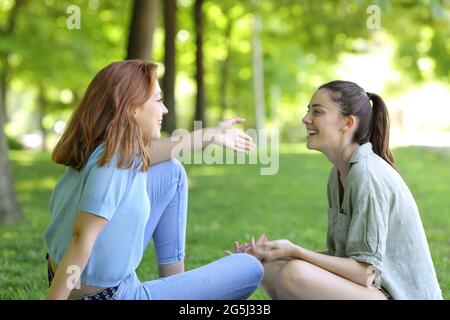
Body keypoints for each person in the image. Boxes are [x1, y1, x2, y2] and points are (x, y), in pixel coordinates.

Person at [43, 60, 263, 300]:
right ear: (132, 107)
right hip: (109, 295)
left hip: (83, 279)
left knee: (171, 171)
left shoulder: (105, 145)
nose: (165, 109)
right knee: (249, 267)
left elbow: (160, 153)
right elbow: (80, 238)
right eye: (158, 100)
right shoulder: (116, 159)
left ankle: (174, 283)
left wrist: (211, 135)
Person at [230, 80, 443, 300]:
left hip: (394, 295)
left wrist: (294, 251)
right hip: (371, 291)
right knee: (267, 268)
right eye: (308, 111)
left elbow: (364, 273)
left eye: (317, 112)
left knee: (295, 274)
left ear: (347, 123)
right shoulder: (339, 174)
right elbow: (339, 258)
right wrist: (272, 254)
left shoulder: (367, 175)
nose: (306, 119)